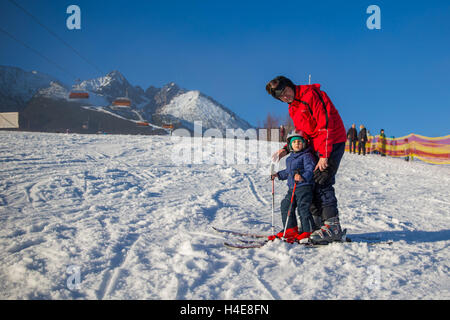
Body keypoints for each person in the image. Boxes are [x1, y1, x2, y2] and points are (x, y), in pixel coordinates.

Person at [265, 76, 347, 244]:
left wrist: (324, 155)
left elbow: (325, 124)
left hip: (332, 140)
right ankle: (316, 225)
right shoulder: (293, 108)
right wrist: (286, 149)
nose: (286, 97)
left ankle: (333, 226)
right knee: (310, 182)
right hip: (316, 145)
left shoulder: (310, 96)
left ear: (290, 85)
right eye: (281, 97)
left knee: (322, 179)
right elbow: (304, 133)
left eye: (286, 92)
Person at [269, 131, 316, 242]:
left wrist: (302, 176)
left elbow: (311, 169)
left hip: (304, 186)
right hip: (293, 188)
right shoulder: (290, 158)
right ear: (290, 145)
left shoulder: (307, 156)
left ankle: (308, 231)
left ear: (304, 144)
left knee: (302, 207)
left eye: (299, 141)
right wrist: (278, 175)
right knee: (286, 205)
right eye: (294, 142)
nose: (297, 144)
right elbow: (288, 172)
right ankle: (291, 228)